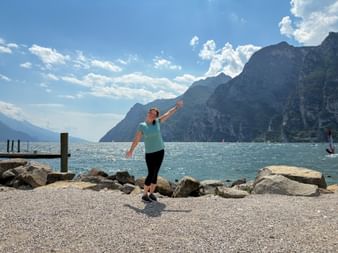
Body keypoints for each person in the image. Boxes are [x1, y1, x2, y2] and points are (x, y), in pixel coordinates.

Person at [126, 100, 184, 202]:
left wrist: (176, 107)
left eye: (154, 114)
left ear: (156, 116)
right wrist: (131, 150)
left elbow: (167, 114)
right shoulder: (142, 125)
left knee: (156, 173)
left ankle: (151, 193)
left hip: (160, 151)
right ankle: (144, 195)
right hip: (150, 153)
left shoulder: (157, 122)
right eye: (151, 113)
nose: (152, 115)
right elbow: (137, 139)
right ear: (148, 113)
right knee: (151, 173)